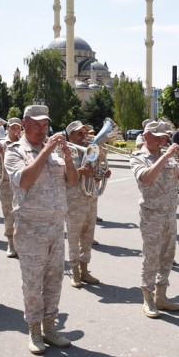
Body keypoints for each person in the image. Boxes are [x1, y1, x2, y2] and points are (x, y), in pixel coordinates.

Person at [4, 105, 79, 355]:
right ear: (24, 124)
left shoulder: (56, 152)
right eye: (36, 124)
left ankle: (50, 327)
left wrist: (67, 157)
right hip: (30, 228)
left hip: (56, 227)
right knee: (33, 283)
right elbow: (23, 180)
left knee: (54, 281)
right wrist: (45, 151)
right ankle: (34, 329)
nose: (41, 129)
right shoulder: (15, 151)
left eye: (45, 125)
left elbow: (73, 181)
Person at [130, 120, 179, 318]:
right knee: (151, 257)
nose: (163, 141)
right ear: (146, 137)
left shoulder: (169, 157)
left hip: (170, 214)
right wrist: (165, 156)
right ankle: (148, 298)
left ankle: (162, 297)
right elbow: (146, 178)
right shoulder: (138, 157)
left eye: (164, 138)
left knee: (167, 257)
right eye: (158, 138)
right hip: (152, 214)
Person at [65, 120, 109, 288]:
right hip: (74, 201)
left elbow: (95, 175)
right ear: (71, 136)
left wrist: (102, 175)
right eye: (80, 134)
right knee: (73, 237)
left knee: (88, 237)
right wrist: (79, 171)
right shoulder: (65, 152)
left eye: (85, 133)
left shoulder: (91, 150)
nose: (84, 136)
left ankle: (85, 270)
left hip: (90, 198)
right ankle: (74, 271)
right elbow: (62, 177)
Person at [0, 117, 22, 259]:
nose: (16, 130)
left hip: (23, 185)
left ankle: (22, 244)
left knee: (24, 216)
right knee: (9, 216)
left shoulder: (25, 143)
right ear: (7, 129)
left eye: (18, 128)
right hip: (6, 185)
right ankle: (10, 243)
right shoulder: (1, 143)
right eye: (13, 127)